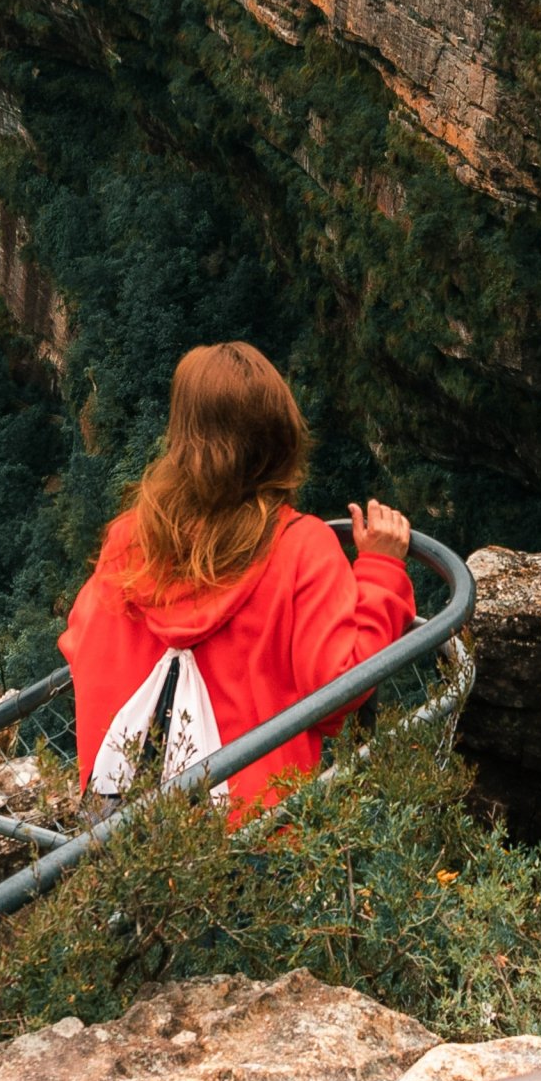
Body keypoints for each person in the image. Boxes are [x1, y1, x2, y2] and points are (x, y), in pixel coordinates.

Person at [59, 341, 416, 825]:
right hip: (251, 834)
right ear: (281, 434)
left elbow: (80, 641)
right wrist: (380, 570)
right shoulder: (300, 546)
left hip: (122, 827)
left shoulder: (132, 538)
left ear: (183, 436)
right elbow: (338, 687)